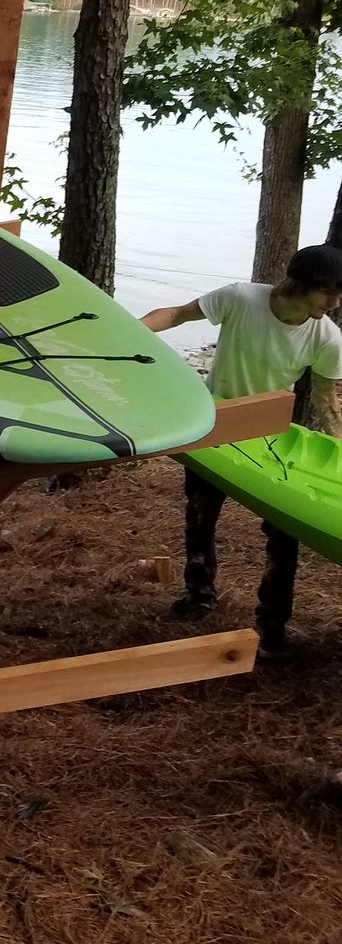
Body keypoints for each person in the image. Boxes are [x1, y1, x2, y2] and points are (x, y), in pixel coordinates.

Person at [141, 244, 342, 655]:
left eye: (340, 293)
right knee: (200, 515)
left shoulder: (327, 337)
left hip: (272, 437)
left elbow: (326, 402)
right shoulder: (240, 297)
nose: (335, 302)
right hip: (214, 425)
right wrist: (129, 331)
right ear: (299, 284)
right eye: (327, 291)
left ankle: (272, 626)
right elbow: (177, 314)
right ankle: (199, 595)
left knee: (285, 535)